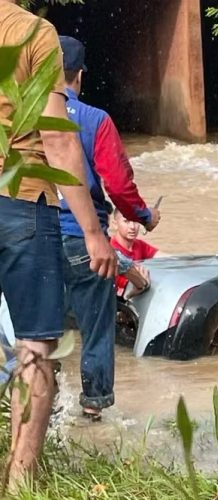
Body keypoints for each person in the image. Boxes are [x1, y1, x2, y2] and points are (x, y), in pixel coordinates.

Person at [0, 0, 117, 486]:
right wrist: (95, 231)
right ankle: (21, 483)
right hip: (23, 201)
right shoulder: (31, 32)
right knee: (34, 349)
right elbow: (59, 140)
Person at [58, 36, 160, 421]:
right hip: (83, 240)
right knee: (96, 328)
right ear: (80, 75)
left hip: (32, 238)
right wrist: (144, 215)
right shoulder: (94, 119)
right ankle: (93, 409)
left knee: (39, 330)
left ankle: (40, 407)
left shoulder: (23, 120)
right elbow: (117, 184)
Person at [110, 208, 162, 297]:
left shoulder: (139, 245)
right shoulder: (109, 249)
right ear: (115, 224)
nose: (132, 227)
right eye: (126, 221)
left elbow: (166, 258)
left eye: (135, 221)